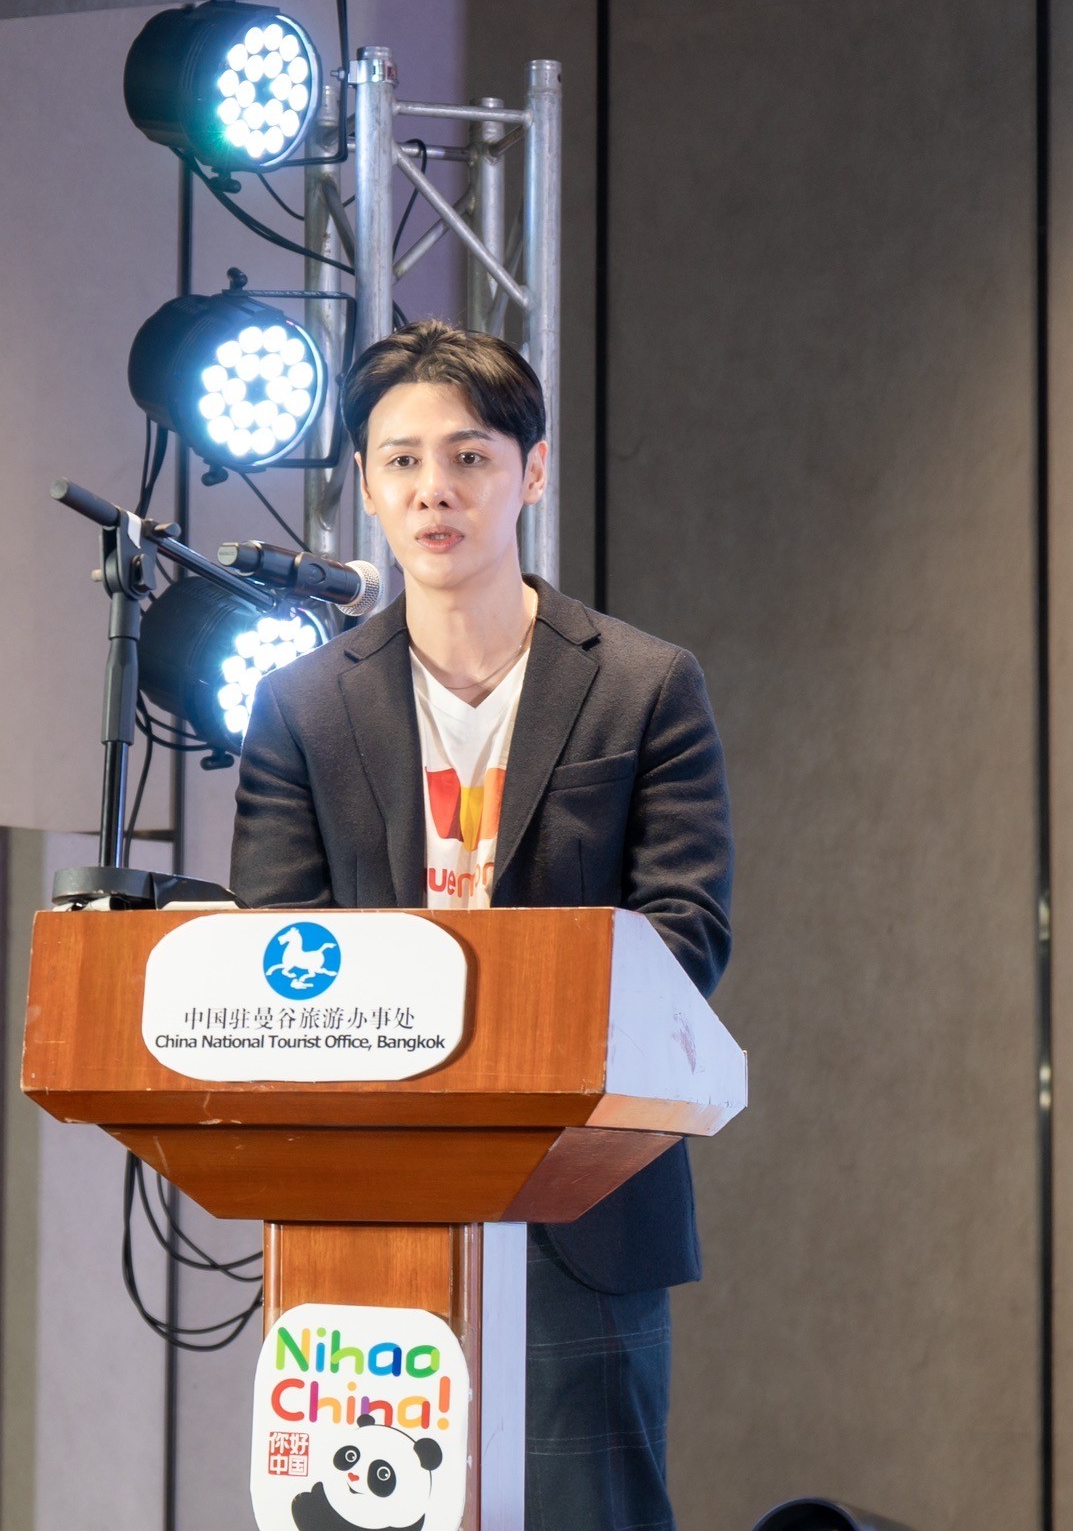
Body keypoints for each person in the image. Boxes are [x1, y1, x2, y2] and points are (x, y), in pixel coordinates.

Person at [229, 319, 734, 1531]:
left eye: (468, 457)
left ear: (532, 470)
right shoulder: (302, 706)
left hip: (580, 1209)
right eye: (401, 461)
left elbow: (685, 931)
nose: (433, 489)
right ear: (365, 484)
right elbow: (278, 945)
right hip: (364, 1211)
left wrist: (500, 1025)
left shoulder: (642, 685)